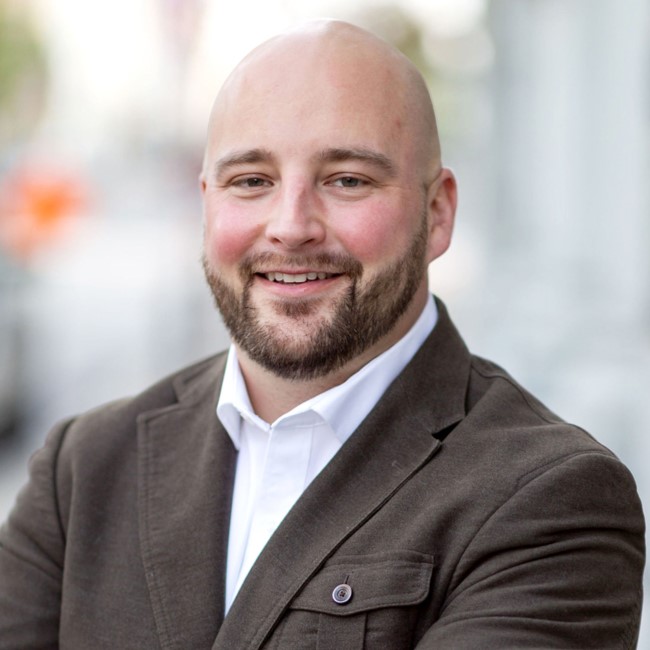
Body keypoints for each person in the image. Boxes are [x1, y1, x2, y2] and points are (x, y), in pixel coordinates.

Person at [0, 19, 644, 650]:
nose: (291, 226)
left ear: (438, 212)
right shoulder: (84, 468)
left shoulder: (551, 499)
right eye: (251, 180)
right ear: (206, 204)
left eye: (347, 180)